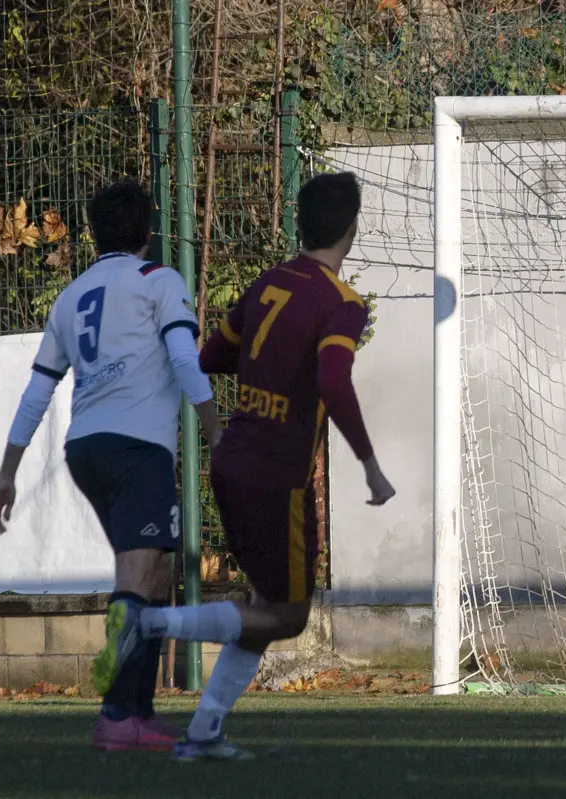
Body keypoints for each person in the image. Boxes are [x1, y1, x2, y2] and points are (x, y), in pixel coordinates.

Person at [88, 171, 395, 761]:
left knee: (261, 609)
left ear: (300, 223)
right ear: (352, 229)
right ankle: (150, 626)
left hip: (230, 460)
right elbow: (333, 377)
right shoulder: (341, 301)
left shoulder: (268, 282)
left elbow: (212, 355)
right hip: (276, 475)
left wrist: (270, 366)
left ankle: (203, 733)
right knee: (288, 617)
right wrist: (370, 464)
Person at [0, 182, 223, 751]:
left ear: (94, 235)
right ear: (147, 232)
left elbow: (37, 393)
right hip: (138, 448)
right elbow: (186, 361)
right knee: (141, 582)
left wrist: (7, 473)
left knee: (150, 574)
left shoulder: (71, 297)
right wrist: (215, 427)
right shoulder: (159, 281)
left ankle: (136, 713)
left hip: (85, 450)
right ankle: (118, 712)